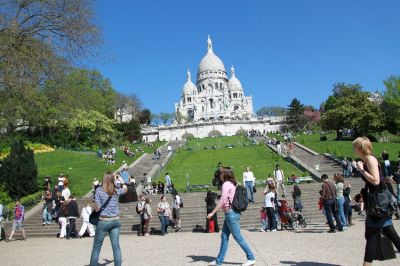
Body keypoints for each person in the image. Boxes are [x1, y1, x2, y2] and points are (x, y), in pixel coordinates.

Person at [353, 137, 400, 265]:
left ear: (360, 148)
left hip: (378, 204)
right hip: (378, 203)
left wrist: (361, 170)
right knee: (388, 232)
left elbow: (376, 181)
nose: (354, 149)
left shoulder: (369, 159)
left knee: (371, 235)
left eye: (355, 147)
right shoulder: (367, 159)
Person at [207, 167, 256, 266]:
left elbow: (223, 201)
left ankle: (251, 257)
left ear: (224, 175)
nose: (219, 176)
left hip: (231, 214)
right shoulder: (232, 184)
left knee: (238, 237)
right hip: (231, 213)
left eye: (220, 174)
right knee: (224, 236)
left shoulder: (226, 184)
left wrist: (212, 213)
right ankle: (219, 261)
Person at [90, 172, 128, 266]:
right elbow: (126, 189)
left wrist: (93, 202)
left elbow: (97, 208)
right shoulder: (116, 190)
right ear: (113, 180)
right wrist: (121, 180)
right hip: (115, 220)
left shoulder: (99, 190)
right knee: (116, 247)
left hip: (104, 220)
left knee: (97, 247)